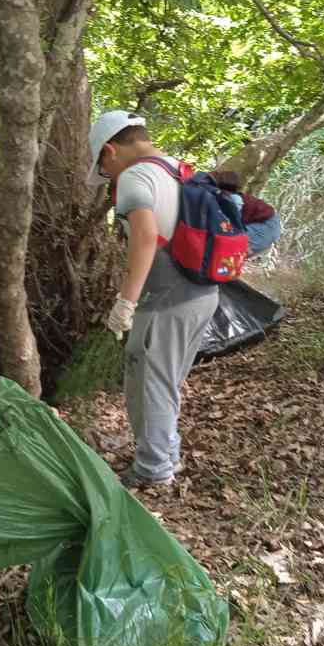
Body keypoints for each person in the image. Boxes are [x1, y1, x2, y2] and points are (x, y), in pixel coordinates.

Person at [88, 110, 219, 488]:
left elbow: (145, 237)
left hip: (166, 296)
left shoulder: (133, 176)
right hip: (203, 293)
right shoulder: (179, 169)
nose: (108, 178)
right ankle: (165, 455)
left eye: (103, 169)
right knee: (163, 381)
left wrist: (125, 302)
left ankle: (153, 469)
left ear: (110, 151)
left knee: (151, 384)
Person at [212, 171, 284, 257]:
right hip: (267, 224)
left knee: (229, 250)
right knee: (229, 253)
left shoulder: (233, 199)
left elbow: (229, 224)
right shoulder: (226, 197)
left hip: (266, 227)